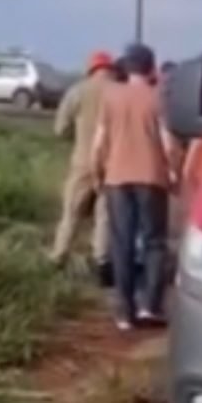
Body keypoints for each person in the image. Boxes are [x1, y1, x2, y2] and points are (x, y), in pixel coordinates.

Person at [91, 43, 178, 331]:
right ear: (151, 67)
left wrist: (97, 172)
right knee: (154, 243)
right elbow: (168, 143)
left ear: (126, 67)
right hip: (152, 177)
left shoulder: (111, 96)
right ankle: (150, 306)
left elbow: (99, 142)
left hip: (116, 179)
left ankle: (124, 312)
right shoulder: (157, 98)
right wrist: (175, 171)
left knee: (122, 244)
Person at [48, 50, 118, 277]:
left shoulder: (77, 91)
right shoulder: (119, 92)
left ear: (91, 69)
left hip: (82, 161)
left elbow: (60, 130)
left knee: (71, 212)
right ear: (111, 69)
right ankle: (101, 260)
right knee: (104, 216)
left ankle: (59, 256)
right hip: (112, 163)